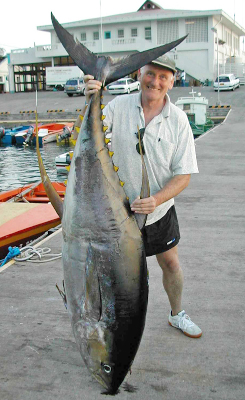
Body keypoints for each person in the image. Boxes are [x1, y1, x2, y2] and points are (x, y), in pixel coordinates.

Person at [82, 55, 202, 339]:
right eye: (151, 74)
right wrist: (90, 98)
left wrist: (156, 200)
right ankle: (107, 324)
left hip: (158, 213)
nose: (155, 82)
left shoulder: (180, 121)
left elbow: (183, 176)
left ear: (172, 82)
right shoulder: (117, 107)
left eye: (163, 77)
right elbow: (91, 135)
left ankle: (177, 314)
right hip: (116, 214)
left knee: (170, 263)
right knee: (112, 273)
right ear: (139, 75)